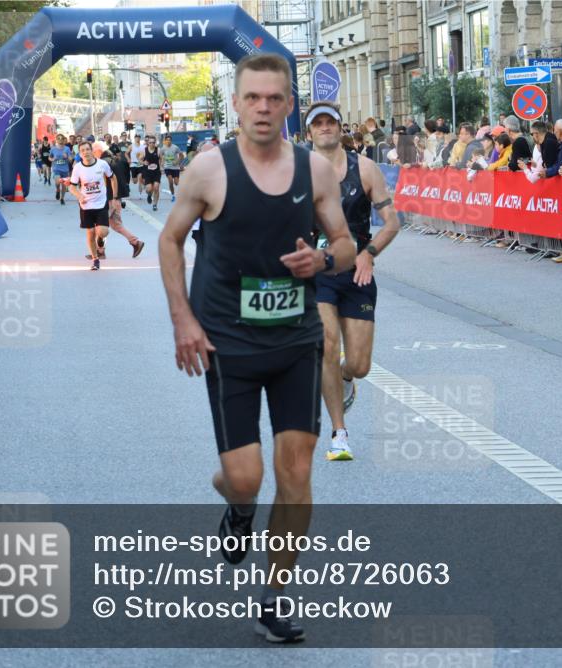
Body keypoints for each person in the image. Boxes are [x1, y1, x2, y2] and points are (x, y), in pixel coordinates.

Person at [157, 53, 356, 643]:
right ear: (237, 104)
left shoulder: (315, 171)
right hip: (229, 344)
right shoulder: (207, 170)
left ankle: (274, 596)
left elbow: (347, 245)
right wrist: (183, 322)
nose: (264, 108)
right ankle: (237, 504)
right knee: (246, 478)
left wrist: (322, 259)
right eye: (253, 98)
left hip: (296, 341)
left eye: (275, 98)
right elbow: (170, 242)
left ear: (289, 105)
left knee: (295, 473)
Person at [306, 101, 401, 461]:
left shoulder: (364, 168)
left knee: (359, 365)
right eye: (319, 124)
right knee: (327, 346)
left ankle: (346, 378)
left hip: (357, 273)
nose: (325, 128)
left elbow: (392, 222)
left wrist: (369, 253)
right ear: (310, 131)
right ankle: (339, 433)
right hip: (317, 275)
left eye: (331, 122)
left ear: (340, 127)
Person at [67, 140, 117, 271]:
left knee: (103, 231)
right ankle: (95, 259)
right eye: (82, 150)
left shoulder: (102, 164)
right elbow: (72, 187)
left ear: (92, 151)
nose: (85, 152)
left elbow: (112, 178)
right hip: (86, 205)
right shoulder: (78, 167)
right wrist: (80, 196)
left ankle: (100, 239)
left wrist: (115, 197)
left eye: (87, 149)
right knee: (90, 232)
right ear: (80, 153)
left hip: (101, 203)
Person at [91, 142, 146, 259]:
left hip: (109, 199)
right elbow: (126, 177)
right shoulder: (117, 159)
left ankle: (99, 251)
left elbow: (102, 182)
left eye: (93, 152)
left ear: (98, 151)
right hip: (117, 198)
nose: (92, 154)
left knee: (100, 225)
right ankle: (136, 242)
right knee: (116, 225)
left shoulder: (103, 162)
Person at [50, 134, 74, 205]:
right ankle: (57, 190)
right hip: (56, 168)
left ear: (64, 140)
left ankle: (62, 198)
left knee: (64, 185)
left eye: (62, 138)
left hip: (65, 169)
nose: (60, 140)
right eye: (58, 138)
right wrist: (52, 159)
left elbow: (70, 160)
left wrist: (67, 157)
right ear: (56, 140)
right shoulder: (53, 149)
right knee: (57, 182)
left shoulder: (67, 149)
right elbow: (49, 157)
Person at [160, 135, 184, 203]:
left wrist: (178, 161)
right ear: (165, 141)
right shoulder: (163, 148)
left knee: (176, 183)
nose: (168, 141)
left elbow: (181, 155)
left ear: (171, 141)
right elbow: (160, 155)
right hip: (167, 167)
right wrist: (162, 162)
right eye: (167, 140)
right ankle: (173, 195)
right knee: (170, 181)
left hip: (175, 167)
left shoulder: (175, 147)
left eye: (169, 140)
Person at [142, 135, 162, 211]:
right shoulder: (145, 150)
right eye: (150, 142)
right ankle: (149, 195)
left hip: (156, 172)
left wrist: (161, 166)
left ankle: (155, 204)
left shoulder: (158, 150)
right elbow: (140, 159)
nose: (152, 144)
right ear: (148, 143)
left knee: (156, 187)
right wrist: (143, 162)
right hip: (148, 172)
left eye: (153, 142)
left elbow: (161, 159)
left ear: (155, 143)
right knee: (149, 189)